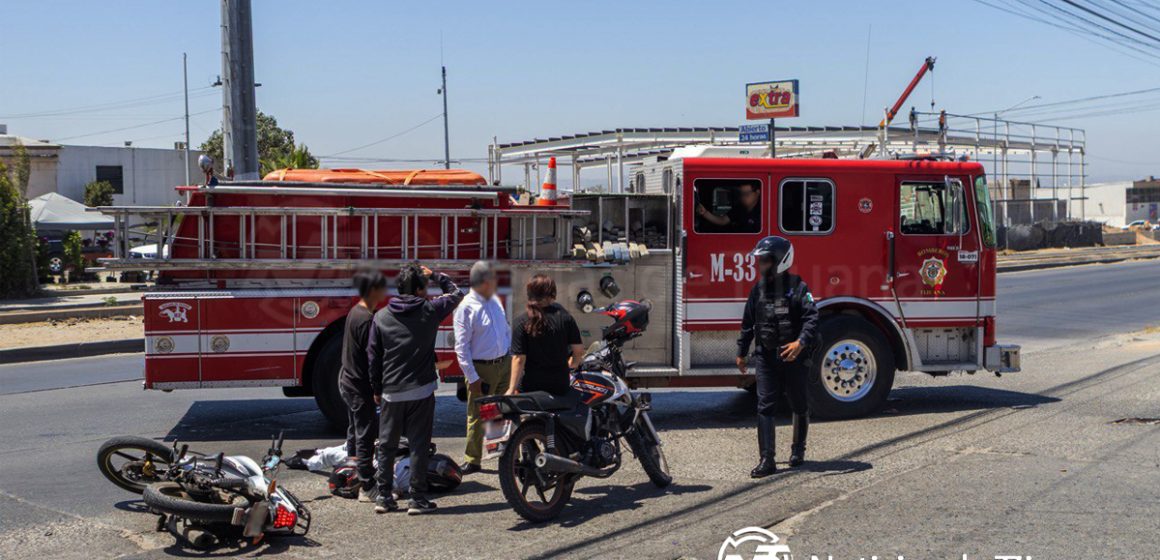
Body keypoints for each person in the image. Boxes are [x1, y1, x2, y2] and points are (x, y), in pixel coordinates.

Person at [368, 264, 465, 514]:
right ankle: (417, 499)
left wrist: (377, 389)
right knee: (418, 445)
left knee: (386, 445)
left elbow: (373, 358)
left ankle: (383, 497)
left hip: (391, 390)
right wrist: (436, 276)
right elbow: (456, 293)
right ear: (421, 289)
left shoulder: (380, 317)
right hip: (421, 391)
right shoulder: (430, 310)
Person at [736, 236, 819, 478]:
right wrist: (741, 352)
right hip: (765, 357)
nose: (760, 265)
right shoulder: (757, 290)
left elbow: (812, 319)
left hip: (793, 357)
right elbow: (747, 323)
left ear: (780, 261)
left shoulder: (799, 287)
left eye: (765, 260)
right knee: (765, 406)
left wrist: (800, 343)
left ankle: (798, 450)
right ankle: (767, 460)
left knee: (799, 403)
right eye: (760, 260)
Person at [453, 261, 512, 475]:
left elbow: (505, 330)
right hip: (482, 369)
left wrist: (509, 359)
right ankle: (472, 459)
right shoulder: (466, 307)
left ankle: (501, 452)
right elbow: (461, 347)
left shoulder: (494, 300)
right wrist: (473, 377)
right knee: (477, 415)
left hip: (502, 364)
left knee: (501, 411)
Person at [341, 268, 387, 503]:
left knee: (354, 431)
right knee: (365, 434)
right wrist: (377, 390)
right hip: (360, 387)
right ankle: (368, 485)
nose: (384, 292)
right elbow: (373, 360)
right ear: (372, 291)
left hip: (347, 381)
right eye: (381, 288)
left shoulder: (354, 312)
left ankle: (352, 474)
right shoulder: (367, 320)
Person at [505, 274, 584, 396]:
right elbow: (578, 352)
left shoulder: (520, 322)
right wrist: (571, 365)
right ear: (552, 294)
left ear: (529, 294)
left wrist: (511, 389)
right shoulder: (566, 319)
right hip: (560, 386)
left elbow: (519, 359)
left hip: (531, 389)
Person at [696, 182, 761, 233]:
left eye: (746, 194)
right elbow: (723, 220)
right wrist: (704, 213)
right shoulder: (739, 208)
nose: (743, 198)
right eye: (741, 194)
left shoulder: (764, 210)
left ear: (757, 192)